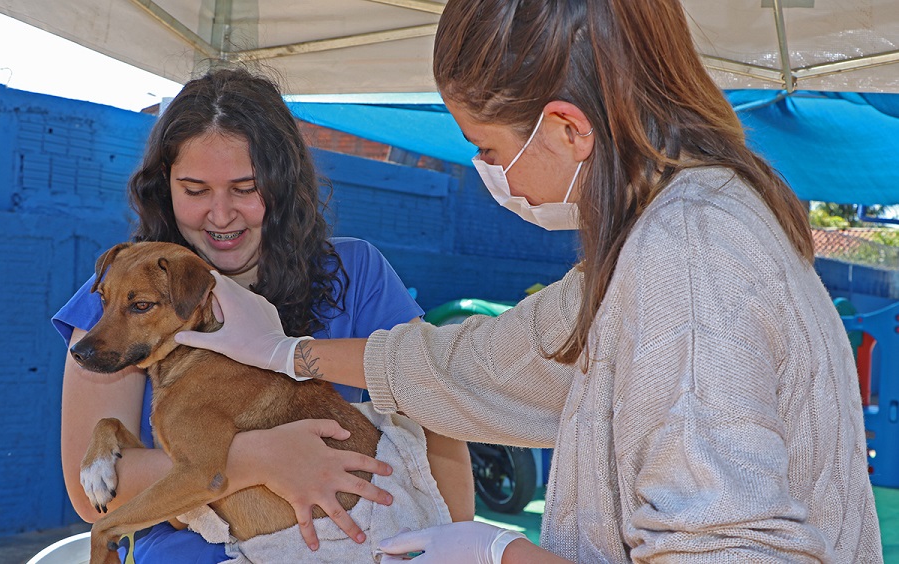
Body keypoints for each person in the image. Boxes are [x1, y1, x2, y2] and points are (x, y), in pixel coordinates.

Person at [175, 1, 884, 563]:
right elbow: (497, 364)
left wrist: (500, 551)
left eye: (489, 148)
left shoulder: (689, 256)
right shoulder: (677, 227)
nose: (490, 173)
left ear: (568, 130)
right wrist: (285, 354)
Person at [53, 68, 474, 564]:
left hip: (353, 541)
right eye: (194, 189)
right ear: (163, 185)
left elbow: (437, 419)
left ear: (282, 183)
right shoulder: (120, 295)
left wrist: (451, 545)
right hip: (191, 548)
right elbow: (92, 496)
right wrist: (260, 459)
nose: (221, 214)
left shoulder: (355, 272)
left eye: (245, 188)